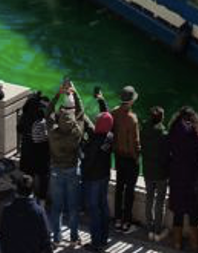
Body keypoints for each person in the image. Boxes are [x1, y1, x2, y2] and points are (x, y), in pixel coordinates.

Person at [166, 107, 198, 250]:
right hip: (193, 179)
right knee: (194, 215)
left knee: (178, 214)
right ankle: (194, 245)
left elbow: (167, 152)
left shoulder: (173, 132)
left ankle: (177, 243)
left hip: (176, 178)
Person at [47, 108, 86, 247]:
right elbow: (81, 115)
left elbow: (48, 113)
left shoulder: (52, 134)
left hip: (56, 171)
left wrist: (58, 94)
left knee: (56, 207)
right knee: (73, 207)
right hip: (72, 171)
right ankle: (74, 237)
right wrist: (74, 93)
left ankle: (56, 238)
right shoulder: (76, 134)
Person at [79, 111, 116, 251]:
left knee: (94, 210)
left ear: (99, 125)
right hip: (104, 176)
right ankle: (104, 238)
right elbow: (97, 128)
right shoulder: (110, 136)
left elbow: (87, 160)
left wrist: (82, 148)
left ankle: (96, 243)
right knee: (103, 206)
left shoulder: (94, 141)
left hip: (93, 178)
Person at [111, 87, 141, 233]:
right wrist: (136, 158)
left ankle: (117, 219)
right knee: (129, 191)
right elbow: (134, 143)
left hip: (118, 156)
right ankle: (126, 223)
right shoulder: (132, 119)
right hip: (129, 158)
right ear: (132, 100)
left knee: (119, 188)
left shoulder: (114, 112)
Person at [0, 173, 52, 253]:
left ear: (16, 191)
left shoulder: (7, 211)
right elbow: (45, 239)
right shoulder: (39, 212)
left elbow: (3, 237)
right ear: (32, 191)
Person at [141, 106, 171, 240]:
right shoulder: (164, 134)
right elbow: (167, 155)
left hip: (148, 170)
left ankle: (149, 229)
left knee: (149, 198)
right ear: (161, 118)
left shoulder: (143, 130)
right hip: (161, 173)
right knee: (159, 202)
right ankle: (157, 231)